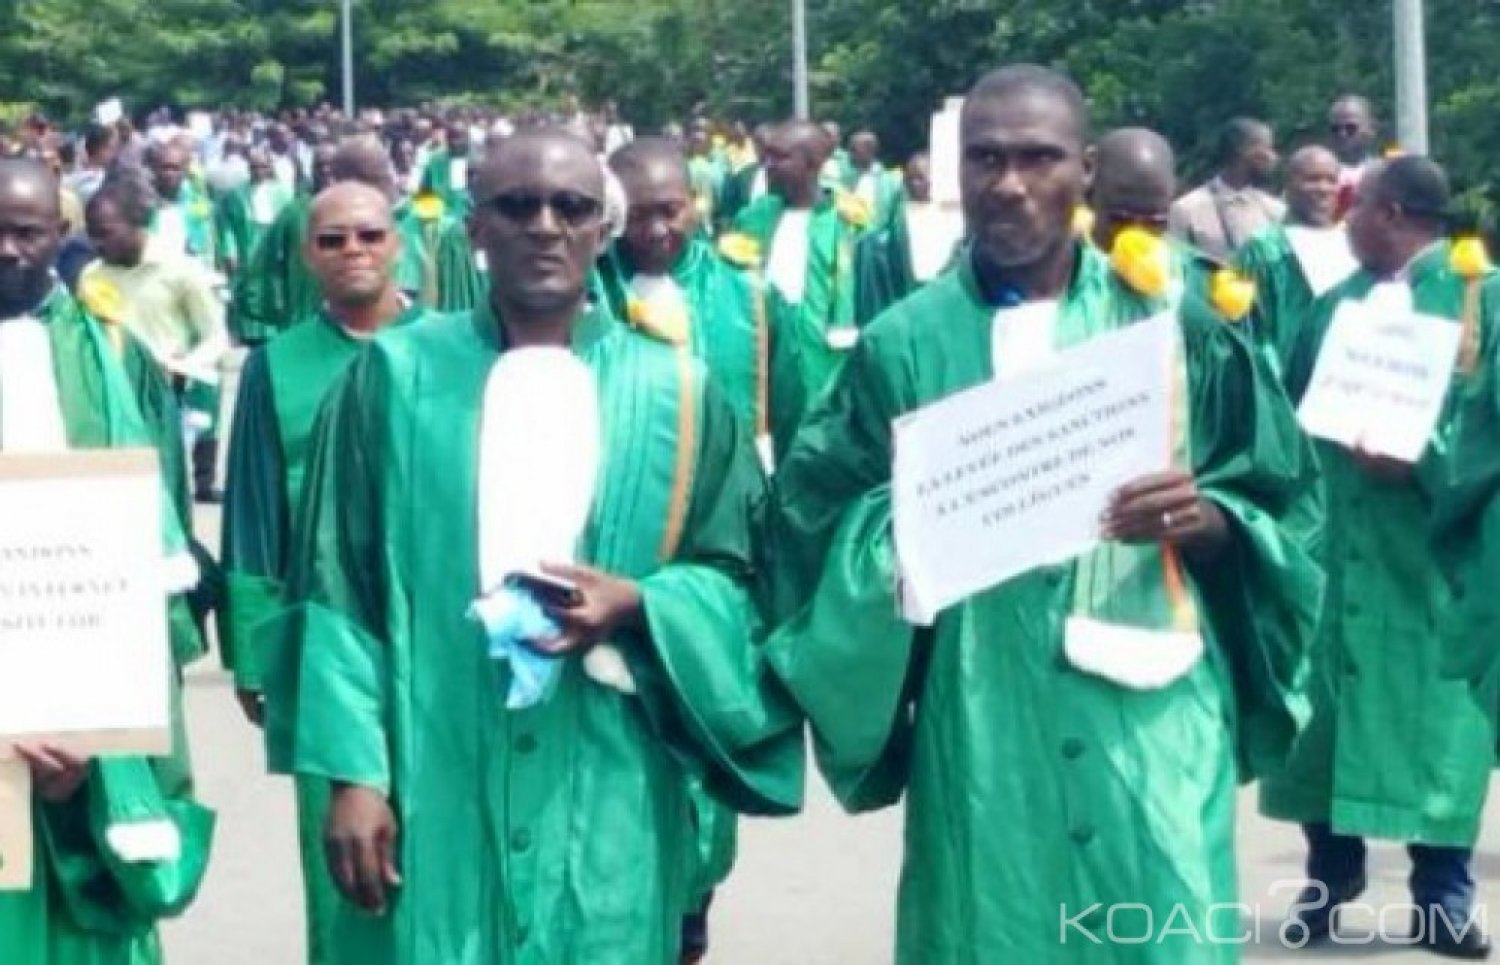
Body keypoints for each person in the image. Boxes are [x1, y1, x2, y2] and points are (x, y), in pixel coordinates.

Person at [765, 64, 1323, 963]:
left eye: (1039, 157)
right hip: (984, 709)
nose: (1010, 183)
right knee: (993, 929)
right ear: (957, 168)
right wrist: (899, 535)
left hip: (1152, 709)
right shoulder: (903, 344)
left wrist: (1211, 519)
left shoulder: (1177, 318)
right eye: (985, 158)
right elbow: (808, 523)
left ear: (1088, 170)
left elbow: (1287, 500)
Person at [258, 129, 802, 964]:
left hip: (611, 769)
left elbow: (744, 583)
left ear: (601, 228)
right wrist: (353, 773)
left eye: (572, 207)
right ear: (476, 229)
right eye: (517, 206)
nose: (545, 225)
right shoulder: (393, 380)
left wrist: (644, 602)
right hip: (433, 762)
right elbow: (339, 582)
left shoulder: (678, 393)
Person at [1263, 156, 1495, 959]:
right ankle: (1330, 877)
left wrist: (1421, 462)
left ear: (1390, 213)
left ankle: (1441, 898)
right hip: (1338, 546)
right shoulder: (1336, 307)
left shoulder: (1481, 302)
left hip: (1432, 557)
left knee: (1437, 730)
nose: (1343, 223)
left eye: (1353, 210)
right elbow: (1289, 417)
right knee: (1322, 719)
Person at [0, 156, 214, 965]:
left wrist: (103, 726)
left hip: (86, 714)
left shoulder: (112, 352)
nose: (9, 250)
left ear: (62, 238)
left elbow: (144, 546)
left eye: (27, 232)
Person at [220, 182, 427, 965]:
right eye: (333, 240)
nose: (353, 252)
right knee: (347, 857)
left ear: (397, 243)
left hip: (439, 623)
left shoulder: (450, 347)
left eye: (368, 235)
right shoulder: (278, 365)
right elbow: (254, 507)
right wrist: (251, 648)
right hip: (324, 633)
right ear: (308, 256)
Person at [602, 137, 805, 470]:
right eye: (637, 215)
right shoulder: (590, 293)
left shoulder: (751, 295)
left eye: (670, 212)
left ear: (695, 205)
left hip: (729, 496)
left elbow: (791, 418)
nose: (656, 230)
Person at [82, 175, 230, 502]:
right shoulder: (92, 277)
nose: (97, 243)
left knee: (165, 490)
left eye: (106, 233)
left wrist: (182, 366)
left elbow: (216, 336)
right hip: (114, 399)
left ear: (136, 223)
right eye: (91, 234)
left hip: (166, 399)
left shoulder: (179, 270)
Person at [729, 119, 862, 401]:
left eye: (780, 158)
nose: (768, 165)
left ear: (813, 164)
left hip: (823, 367)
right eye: (767, 156)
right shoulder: (752, 218)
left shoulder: (847, 224)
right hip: (761, 359)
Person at [1236, 145, 1357, 376]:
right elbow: (1250, 331)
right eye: (1312, 179)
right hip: (1286, 384)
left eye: (1331, 180)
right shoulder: (1264, 249)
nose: (1323, 188)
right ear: (1289, 185)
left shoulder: (1354, 245)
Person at [852, 152, 964, 325]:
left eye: (921, 178)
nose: (914, 184)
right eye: (909, 179)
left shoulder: (955, 219)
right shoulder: (895, 223)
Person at [1168, 117, 1284, 262]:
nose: (1273, 157)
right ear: (1242, 150)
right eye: (1266, 148)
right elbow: (1175, 268)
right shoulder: (1186, 210)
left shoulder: (1276, 211)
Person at [148, 141, 218, 268]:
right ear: (155, 169)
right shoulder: (143, 203)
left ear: (185, 170)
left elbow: (208, 246)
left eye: (175, 168)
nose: (169, 173)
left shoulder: (199, 204)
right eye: (165, 167)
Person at [1328, 95, 1379, 216]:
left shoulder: (1385, 175)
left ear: (1371, 129)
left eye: (1351, 128)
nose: (1342, 134)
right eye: (1335, 129)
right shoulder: (1318, 176)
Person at [845, 131, 900, 228]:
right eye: (850, 149)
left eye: (854, 150)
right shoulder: (845, 178)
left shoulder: (890, 183)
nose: (849, 154)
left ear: (870, 151)